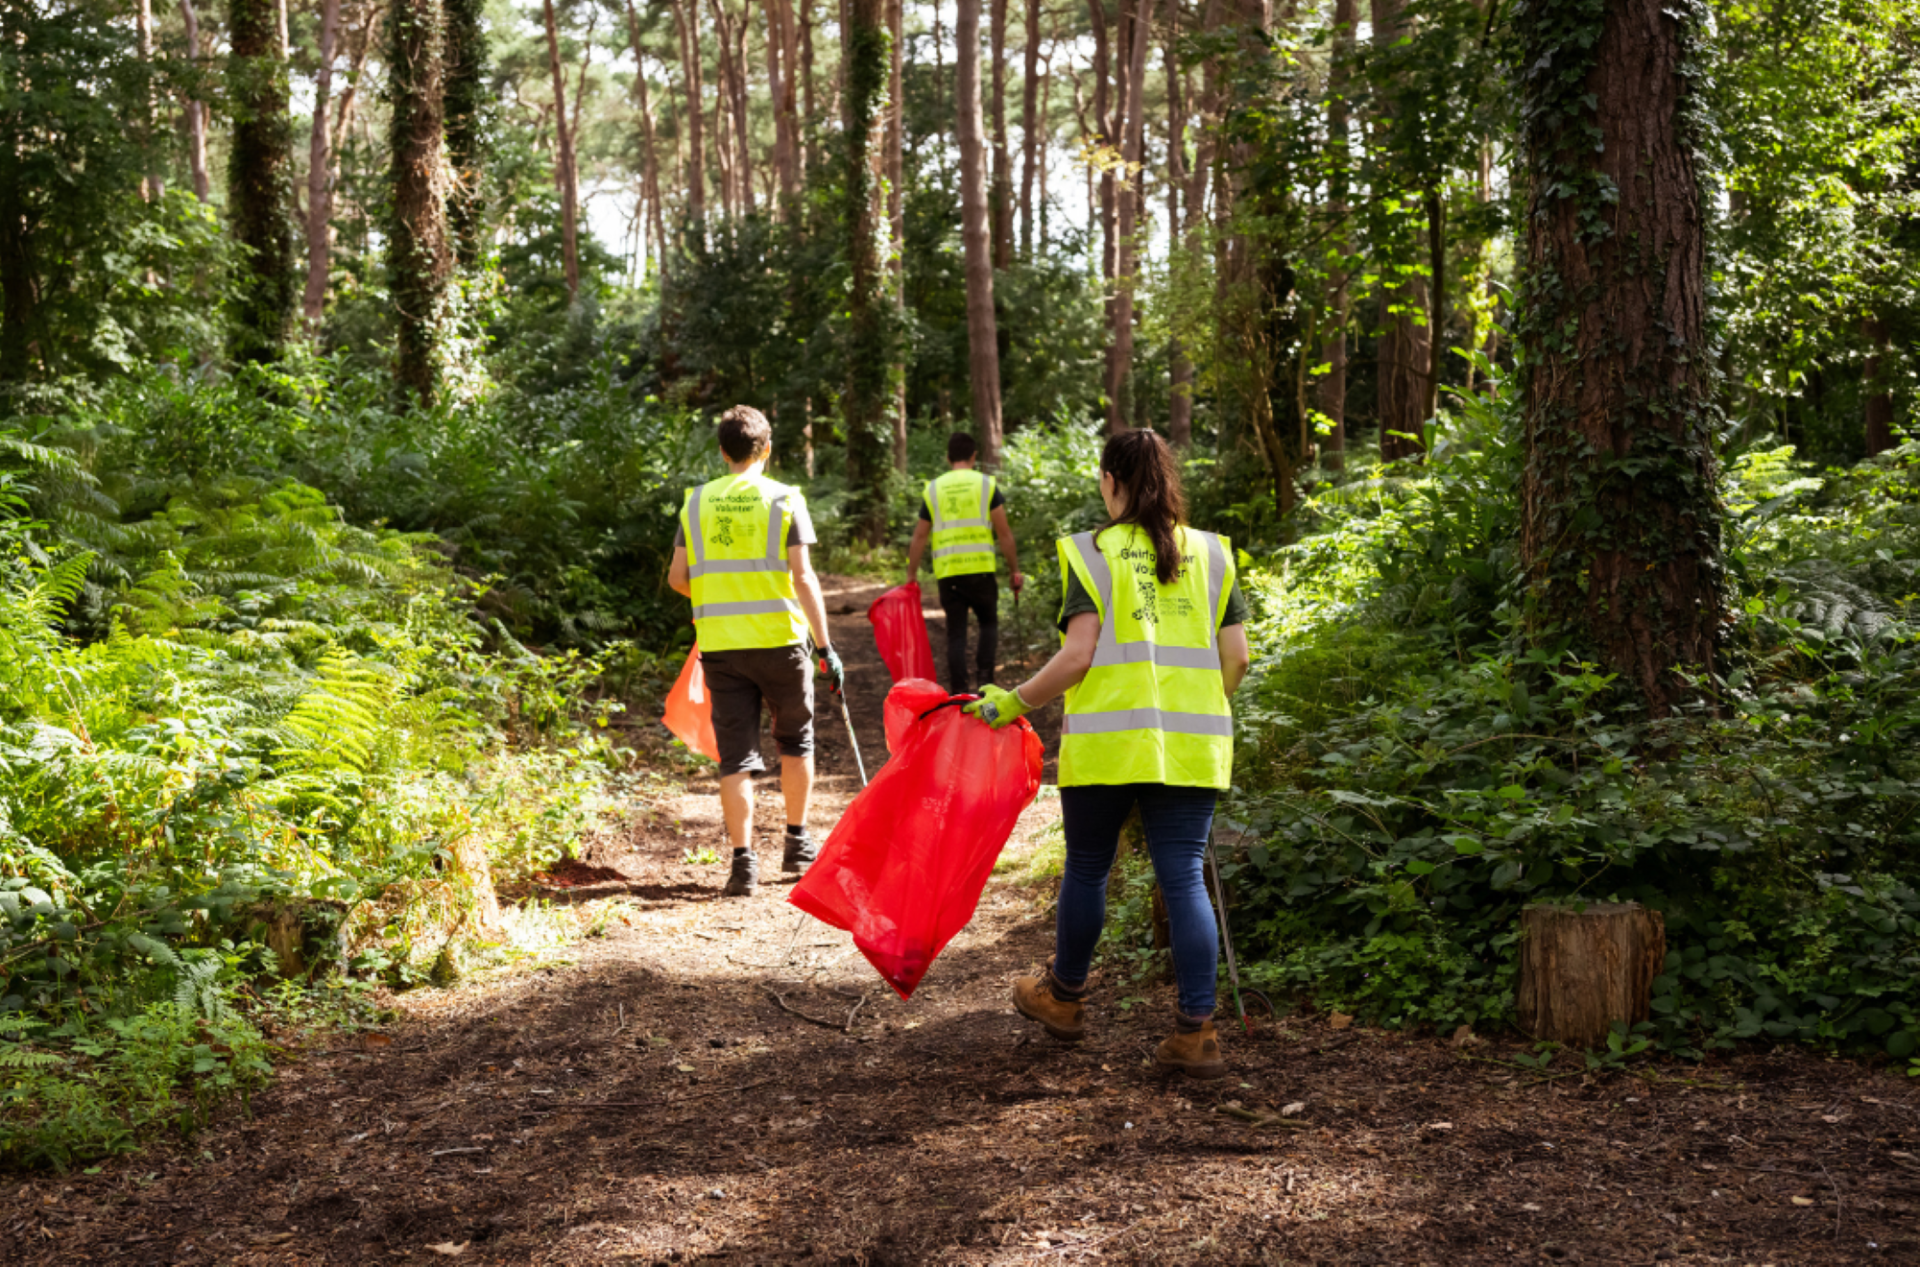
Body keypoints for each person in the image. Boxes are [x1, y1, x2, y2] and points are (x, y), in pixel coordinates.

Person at [966, 429, 1252, 1078]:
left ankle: (1064, 998)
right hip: (1191, 744)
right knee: (1182, 876)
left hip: (1106, 744)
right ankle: (1197, 1029)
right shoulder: (1210, 553)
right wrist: (1206, 701)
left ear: (1110, 481)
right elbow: (1235, 657)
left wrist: (1010, 702)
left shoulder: (1091, 554)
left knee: (1090, 866)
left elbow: (1078, 655)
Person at [668, 406, 845, 897]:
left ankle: (743, 864)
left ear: (723, 452)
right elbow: (804, 577)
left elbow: (678, 579)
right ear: (766, 449)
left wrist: (720, 599)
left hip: (723, 646)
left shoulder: (697, 502)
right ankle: (797, 843)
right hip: (783, 642)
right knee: (796, 740)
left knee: (736, 756)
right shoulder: (785, 498)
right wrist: (826, 645)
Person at [906, 432, 1023, 693]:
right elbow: (1004, 533)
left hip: (949, 574)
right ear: (973, 456)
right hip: (981, 570)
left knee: (956, 633)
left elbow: (920, 536)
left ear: (948, 458)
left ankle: (959, 693)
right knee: (988, 624)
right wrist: (1014, 570)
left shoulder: (934, 488)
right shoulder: (986, 485)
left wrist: (911, 575)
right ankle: (985, 683)